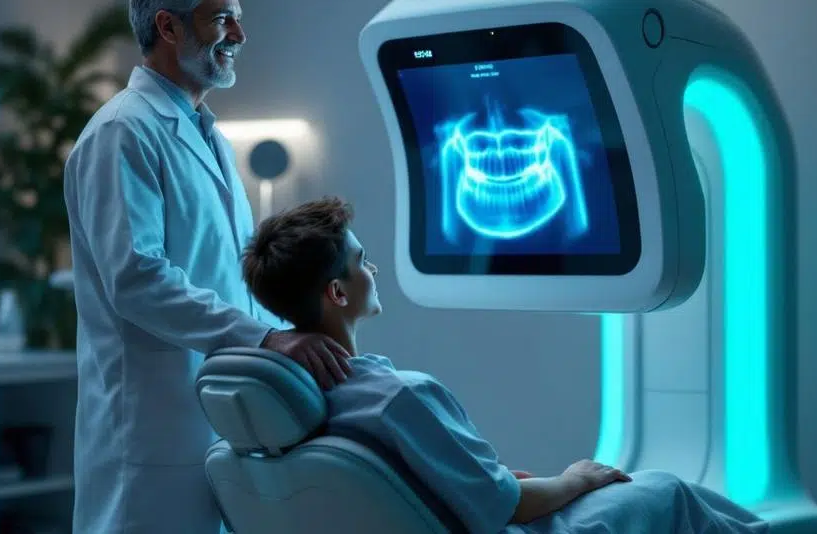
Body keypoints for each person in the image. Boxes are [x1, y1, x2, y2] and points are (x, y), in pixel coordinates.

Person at [241, 196, 771, 534]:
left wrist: (491, 482)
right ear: (337, 291)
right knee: (666, 490)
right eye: (362, 262)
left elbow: (450, 489)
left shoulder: (304, 402)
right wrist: (574, 478)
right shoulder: (398, 396)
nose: (372, 269)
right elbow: (509, 507)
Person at [62, 0, 351, 533]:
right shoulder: (123, 132)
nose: (240, 34)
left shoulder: (209, 136)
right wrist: (266, 338)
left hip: (219, 417)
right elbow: (137, 279)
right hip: (151, 430)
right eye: (222, 20)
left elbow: (229, 276)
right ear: (168, 27)